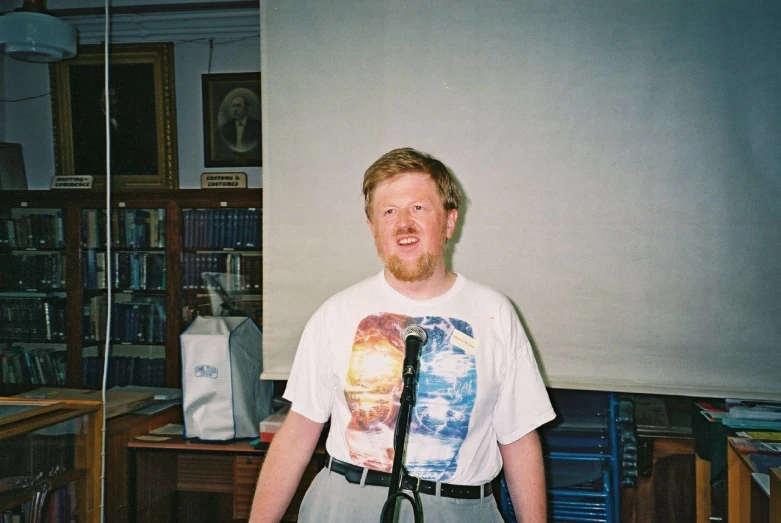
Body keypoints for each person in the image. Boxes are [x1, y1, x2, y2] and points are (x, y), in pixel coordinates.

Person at [249, 147, 555, 522]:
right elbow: (297, 433)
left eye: (419, 208)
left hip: (459, 510)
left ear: (449, 221)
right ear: (373, 229)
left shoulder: (495, 314)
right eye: (389, 211)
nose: (403, 223)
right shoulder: (335, 314)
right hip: (345, 505)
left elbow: (519, 440)